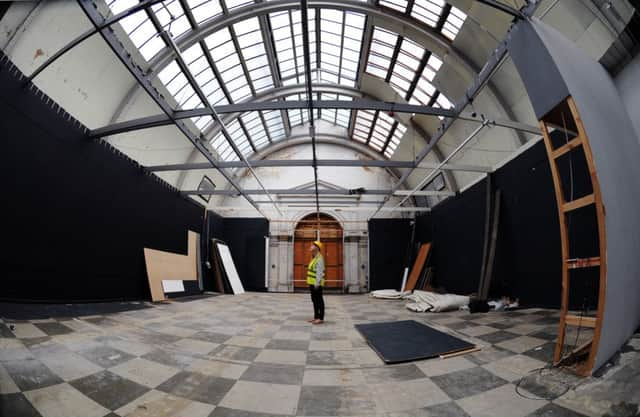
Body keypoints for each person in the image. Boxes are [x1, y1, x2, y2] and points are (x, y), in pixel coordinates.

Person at [306, 240, 325, 324]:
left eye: (313, 245)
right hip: (312, 283)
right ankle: (316, 317)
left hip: (316, 284)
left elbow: (319, 273)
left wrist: (317, 284)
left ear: (317, 248)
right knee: (314, 300)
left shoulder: (319, 259)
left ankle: (320, 318)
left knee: (319, 300)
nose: (311, 246)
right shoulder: (314, 258)